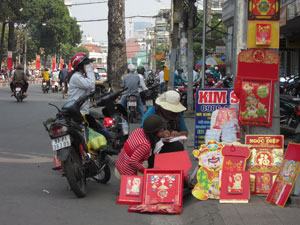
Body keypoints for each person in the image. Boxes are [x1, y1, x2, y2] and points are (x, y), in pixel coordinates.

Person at [68, 52, 110, 139]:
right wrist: (90, 70)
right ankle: (110, 139)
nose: (90, 66)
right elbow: (91, 85)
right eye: (87, 64)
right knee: (98, 128)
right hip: (79, 112)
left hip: (83, 110)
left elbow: (92, 89)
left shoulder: (81, 77)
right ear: (81, 66)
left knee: (100, 119)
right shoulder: (77, 77)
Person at [141, 90, 188, 167]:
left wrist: (178, 134)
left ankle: (176, 173)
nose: (172, 113)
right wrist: (160, 134)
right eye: (170, 110)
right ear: (162, 107)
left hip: (170, 144)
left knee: (178, 146)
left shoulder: (177, 114)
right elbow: (143, 134)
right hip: (152, 148)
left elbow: (185, 132)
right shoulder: (152, 113)